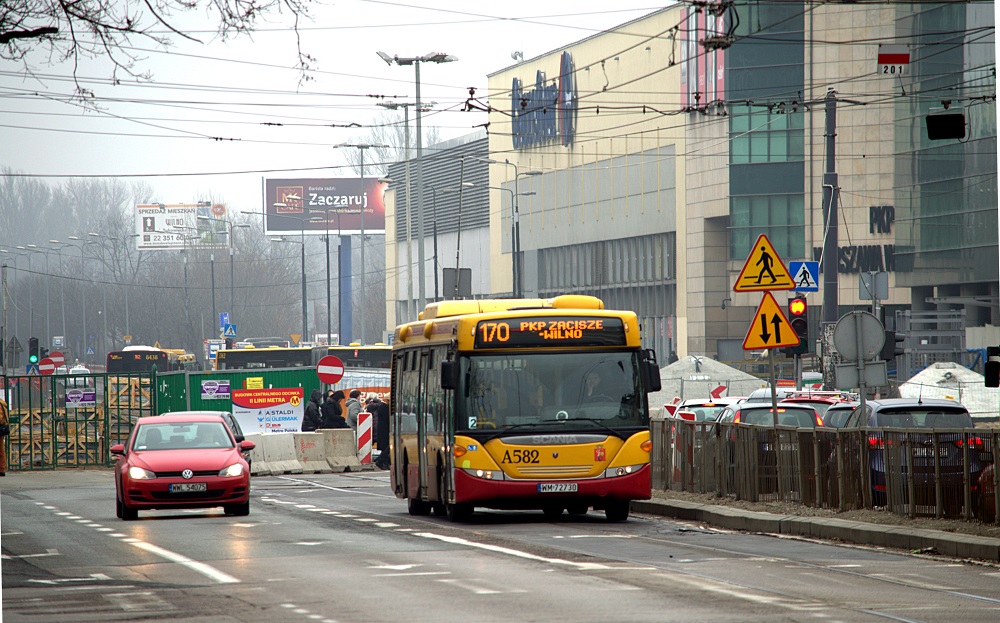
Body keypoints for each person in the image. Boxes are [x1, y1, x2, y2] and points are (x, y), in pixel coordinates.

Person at [367, 394, 391, 469]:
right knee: (388, 447)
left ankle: (383, 462)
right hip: (385, 430)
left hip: (383, 429)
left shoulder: (382, 406)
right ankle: (381, 461)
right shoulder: (385, 407)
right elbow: (387, 419)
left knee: (387, 447)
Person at [0, 396, 9, 476]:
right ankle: (1, 468)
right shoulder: (2, 403)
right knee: (1, 449)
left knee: (1, 450)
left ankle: (1, 468)